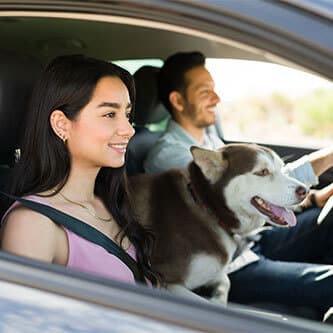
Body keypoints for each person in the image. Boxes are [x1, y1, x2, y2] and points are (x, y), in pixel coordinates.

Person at [143, 51, 333, 319]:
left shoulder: (213, 140)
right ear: (178, 100)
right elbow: (248, 190)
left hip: (251, 236)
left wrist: (312, 198)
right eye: (204, 92)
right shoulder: (174, 158)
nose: (217, 99)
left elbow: (260, 184)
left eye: (215, 90)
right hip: (230, 262)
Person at [0, 55, 160, 286]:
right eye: (109, 114)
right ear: (61, 124)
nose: (128, 130)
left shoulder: (110, 201)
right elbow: (17, 317)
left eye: (126, 114)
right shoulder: (33, 224)